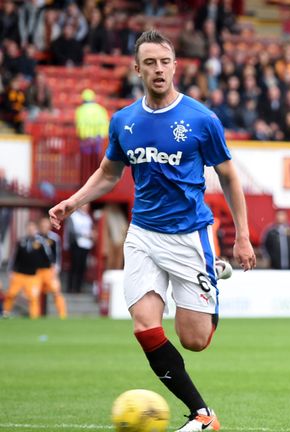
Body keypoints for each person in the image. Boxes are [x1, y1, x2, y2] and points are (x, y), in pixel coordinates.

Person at [49, 30, 256, 432]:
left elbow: (229, 176)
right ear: (137, 68)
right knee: (145, 326)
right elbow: (109, 173)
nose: (158, 69)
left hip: (189, 235)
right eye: (150, 63)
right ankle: (203, 415)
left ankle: (212, 276)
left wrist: (243, 235)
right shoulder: (124, 121)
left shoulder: (201, 119)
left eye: (164, 61)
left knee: (194, 339)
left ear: (175, 65)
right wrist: (74, 201)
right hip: (143, 234)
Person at [2, 221, 46, 319]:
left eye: (33, 229)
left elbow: (47, 258)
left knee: (34, 297)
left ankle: (34, 318)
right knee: (11, 294)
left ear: (36, 230)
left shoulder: (41, 242)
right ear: (27, 229)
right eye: (29, 229)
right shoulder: (21, 241)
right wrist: (11, 270)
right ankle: (5, 313)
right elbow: (14, 257)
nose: (31, 231)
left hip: (33, 275)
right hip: (19, 274)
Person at [75, 88, 110, 184]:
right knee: (96, 162)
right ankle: (96, 183)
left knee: (85, 163)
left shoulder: (80, 110)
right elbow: (106, 124)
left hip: (85, 140)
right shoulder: (101, 109)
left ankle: (84, 183)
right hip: (98, 140)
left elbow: (79, 125)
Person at [37, 216, 67, 319]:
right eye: (42, 224)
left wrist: (57, 268)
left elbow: (58, 255)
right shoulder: (35, 238)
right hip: (37, 271)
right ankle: (35, 317)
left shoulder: (54, 238)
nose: (44, 226)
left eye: (46, 224)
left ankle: (62, 316)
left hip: (50, 270)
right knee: (35, 294)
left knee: (56, 291)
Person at [64, 203, 94, 293]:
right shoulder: (73, 216)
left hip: (86, 244)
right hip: (76, 244)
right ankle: (70, 287)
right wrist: (84, 234)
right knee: (74, 266)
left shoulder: (88, 217)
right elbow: (71, 231)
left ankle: (78, 288)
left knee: (82, 267)